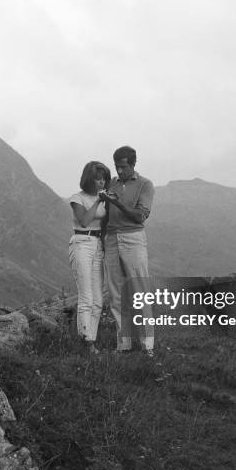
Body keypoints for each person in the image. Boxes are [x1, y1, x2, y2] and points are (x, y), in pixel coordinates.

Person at [100, 146, 155, 356]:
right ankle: (124, 345)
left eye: (123, 167)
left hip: (133, 238)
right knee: (116, 294)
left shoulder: (145, 185)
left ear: (133, 164)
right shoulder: (111, 183)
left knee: (140, 291)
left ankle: (148, 346)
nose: (119, 171)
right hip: (112, 239)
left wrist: (118, 203)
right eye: (117, 167)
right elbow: (105, 215)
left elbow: (140, 216)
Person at [68, 161, 111, 354]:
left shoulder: (104, 198)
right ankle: (86, 343)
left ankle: (90, 340)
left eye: (104, 179)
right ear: (89, 179)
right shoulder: (78, 198)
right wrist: (98, 201)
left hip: (97, 245)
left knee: (98, 299)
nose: (101, 183)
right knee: (86, 296)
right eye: (98, 179)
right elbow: (85, 221)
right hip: (81, 242)